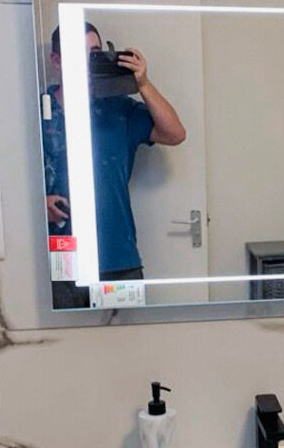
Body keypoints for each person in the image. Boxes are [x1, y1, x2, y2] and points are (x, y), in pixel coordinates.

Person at [43, 22, 186, 308]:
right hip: (60, 261)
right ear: (57, 61)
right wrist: (38, 205)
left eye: (95, 52)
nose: (88, 61)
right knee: (62, 337)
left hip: (117, 258)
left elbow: (175, 134)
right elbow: (11, 180)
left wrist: (142, 83)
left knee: (127, 336)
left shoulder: (119, 108)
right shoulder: (40, 111)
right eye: (78, 53)